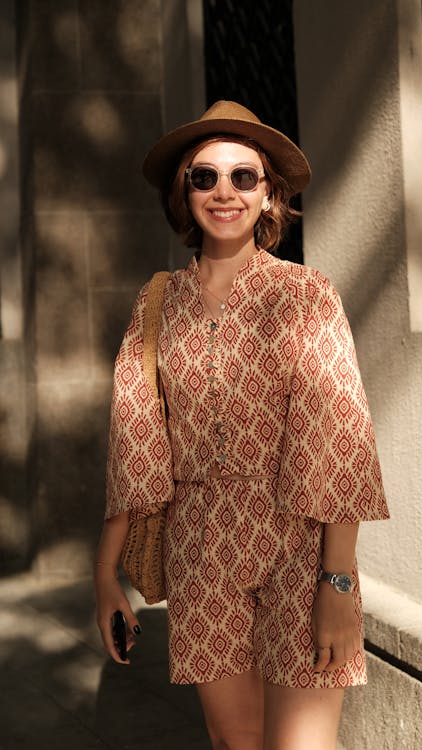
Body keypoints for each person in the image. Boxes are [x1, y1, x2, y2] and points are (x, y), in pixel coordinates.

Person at [94, 100, 389, 750]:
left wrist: (338, 582)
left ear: (269, 193)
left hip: (298, 548)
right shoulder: (157, 301)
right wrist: (106, 575)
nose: (224, 192)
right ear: (185, 191)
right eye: (205, 177)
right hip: (199, 552)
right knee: (236, 743)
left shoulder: (306, 294)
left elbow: (338, 438)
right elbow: (136, 441)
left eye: (243, 176)